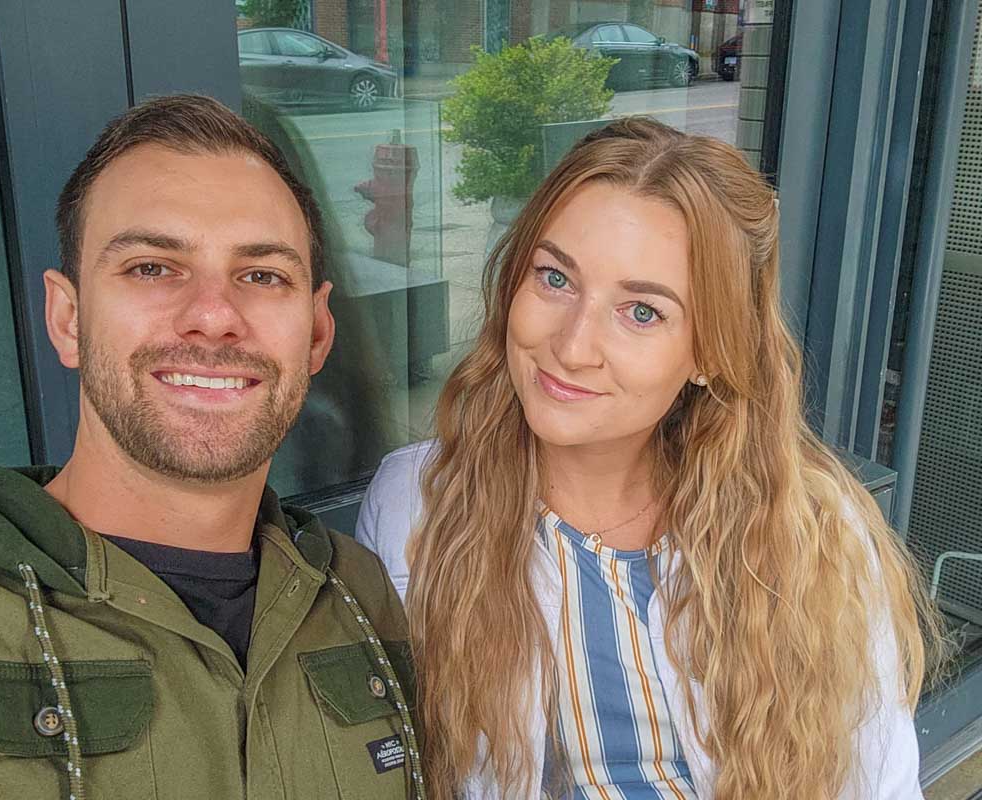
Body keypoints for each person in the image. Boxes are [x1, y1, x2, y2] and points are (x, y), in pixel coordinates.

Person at [0, 95, 420, 800]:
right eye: (152, 267)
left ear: (318, 334)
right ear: (68, 318)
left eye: (262, 275)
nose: (213, 316)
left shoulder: (358, 594)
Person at [356, 117, 940, 799]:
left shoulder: (811, 531)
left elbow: (880, 786)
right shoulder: (418, 504)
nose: (573, 346)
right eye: (554, 278)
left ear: (710, 353)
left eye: (642, 312)